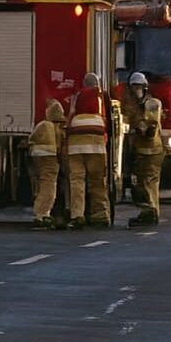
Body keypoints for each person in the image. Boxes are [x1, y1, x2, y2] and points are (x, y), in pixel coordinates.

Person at [65, 73, 110, 229]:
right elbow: (107, 119)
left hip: (76, 141)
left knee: (77, 180)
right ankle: (100, 215)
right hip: (96, 141)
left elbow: (70, 114)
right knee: (97, 181)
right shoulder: (102, 96)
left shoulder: (77, 96)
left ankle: (77, 215)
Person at [122, 72, 164, 228]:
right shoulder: (131, 105)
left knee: (148, 183)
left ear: (145, 87)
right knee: (144, 183)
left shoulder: (152, 104)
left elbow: (151, 127)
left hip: (151, 150)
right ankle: (151, 212)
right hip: (141, 151)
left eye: (138, 87)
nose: (136, 90)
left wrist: (140, 128)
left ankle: (150, 211)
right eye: (134, 87)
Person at [28, 99, 67, 229]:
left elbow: (31, 140)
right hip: (50, 158)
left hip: (36, 157)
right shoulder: (59, 128)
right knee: (49, 186)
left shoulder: (42, 125)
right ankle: (42, 214)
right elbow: (61, 147)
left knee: (40, 184)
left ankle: (40, 212)